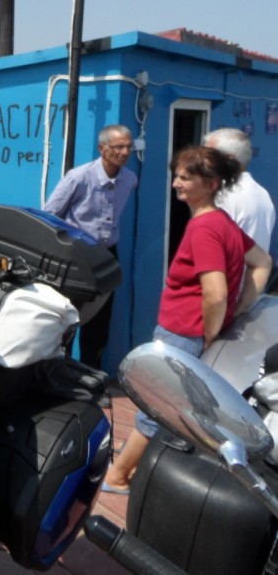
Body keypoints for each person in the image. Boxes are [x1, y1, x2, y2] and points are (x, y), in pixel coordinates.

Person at [103, 146, 272, 493]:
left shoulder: (205, 228)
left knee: (156, 405)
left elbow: (216, 292)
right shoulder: (222, 221)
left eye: (185, 177)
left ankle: (118, 475)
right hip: (194, 331)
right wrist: (240, 310)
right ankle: (130, 468)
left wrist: (211, 333)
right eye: (176, 175)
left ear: (210, 184)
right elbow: (263, 262)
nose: (176, 183)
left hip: (184, 332)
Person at [43, 125, 138, 369]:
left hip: (107, 255)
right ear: (102, 149)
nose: (125, 152)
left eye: (129, 146)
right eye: (119, 147)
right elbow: (50, 215)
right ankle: (59, 370)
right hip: (77, 255)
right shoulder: (79, 177)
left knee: (100, 319)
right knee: (67, 315)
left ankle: (90, 373)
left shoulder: (129, 179)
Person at [203, 127, 275, 253]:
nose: (201, 160)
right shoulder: (262, 193)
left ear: (229, 159)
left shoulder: (224, 194)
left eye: (208, 154)